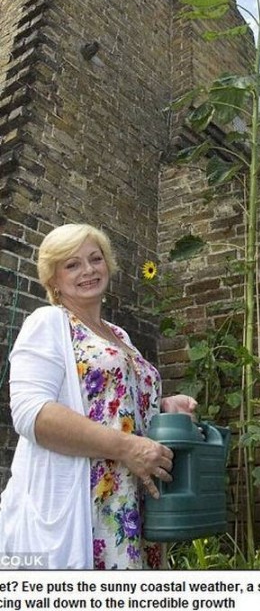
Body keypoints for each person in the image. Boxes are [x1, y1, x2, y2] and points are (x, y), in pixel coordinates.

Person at [0, 223, 197, 570]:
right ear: (53, 279)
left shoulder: (119, 335)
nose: (88, 270)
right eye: (72, 264)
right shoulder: (47, 323)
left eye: (95, 259)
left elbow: (116, 406)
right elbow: (32, 414)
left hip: (133, 503)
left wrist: (164, 406)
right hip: (88, 504)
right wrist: (127, 448)